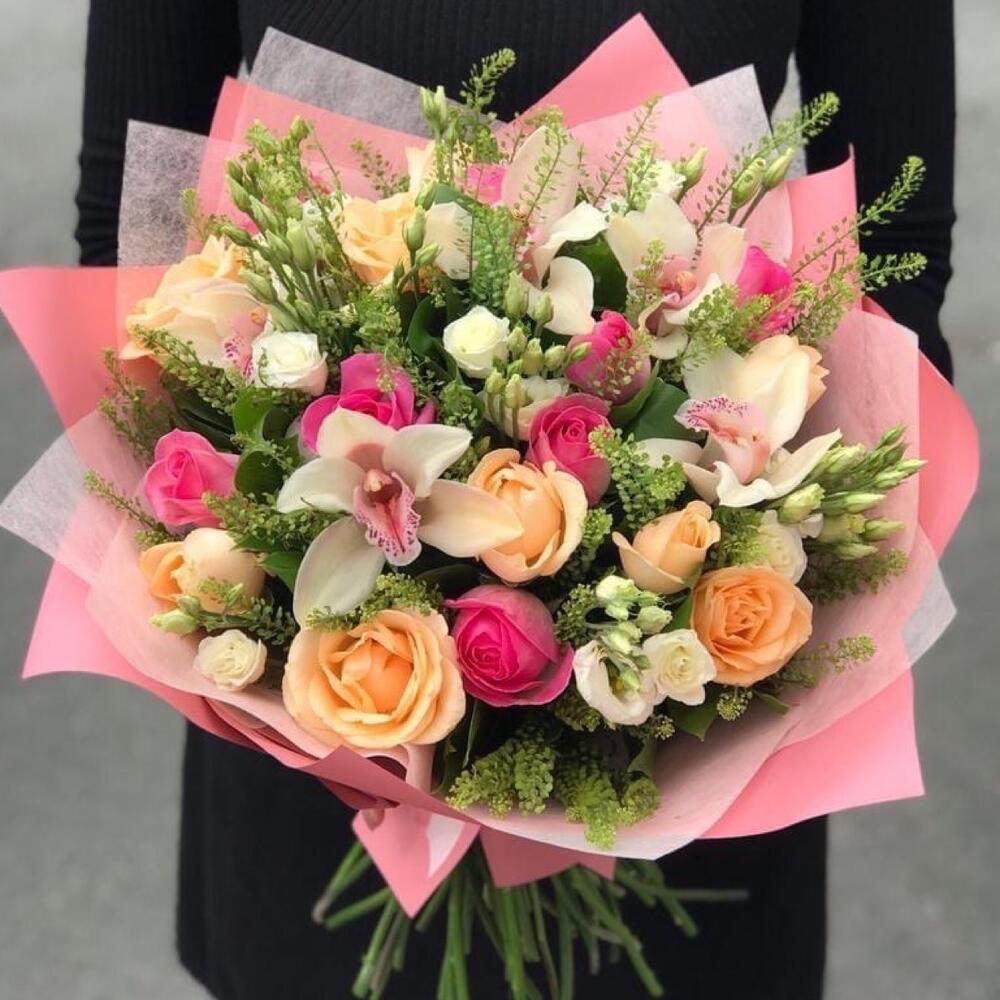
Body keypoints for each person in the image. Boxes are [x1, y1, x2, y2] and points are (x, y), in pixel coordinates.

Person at [75, 3, 956, 997]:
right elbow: (130, 227)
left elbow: (899, 259)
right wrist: (283, 645)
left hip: (688, 726)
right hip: (316, 727)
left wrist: (728, 584)